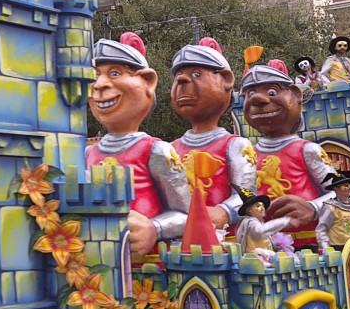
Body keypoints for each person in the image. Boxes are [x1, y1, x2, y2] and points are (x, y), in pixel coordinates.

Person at [84, 32, 188, 257]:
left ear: (148, 81)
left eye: (115, 73)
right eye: (94, 76)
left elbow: (186, 215)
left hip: (146, 268)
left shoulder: (156, 150)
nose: (100, 85)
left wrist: (155, 228)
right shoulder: (86, 153)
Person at [242, 60, 337, 251]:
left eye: (271, 92)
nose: (257, 100)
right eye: (250, 94)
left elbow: (341, 193)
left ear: (295, 95)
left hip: (306, 243)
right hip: (262, 245)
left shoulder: (307, 150)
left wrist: (313, 208)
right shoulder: (248, 153)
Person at [169, 38, 258, 229]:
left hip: (226, 242)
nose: (182, 80)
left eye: (196, 74)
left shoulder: (235, 145)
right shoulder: (170, 149)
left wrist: (224, 212)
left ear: (225, 79)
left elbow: (246, 194)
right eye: (178, 75)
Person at [234, 186, 293, 266]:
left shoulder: (259, 222)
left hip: (264, 261)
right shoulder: (250, 222)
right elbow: (260, 232)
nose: (262, 208)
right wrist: (284, 221)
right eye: (258, 206)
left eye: (263, 206)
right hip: (256, 263)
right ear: (249, 210)